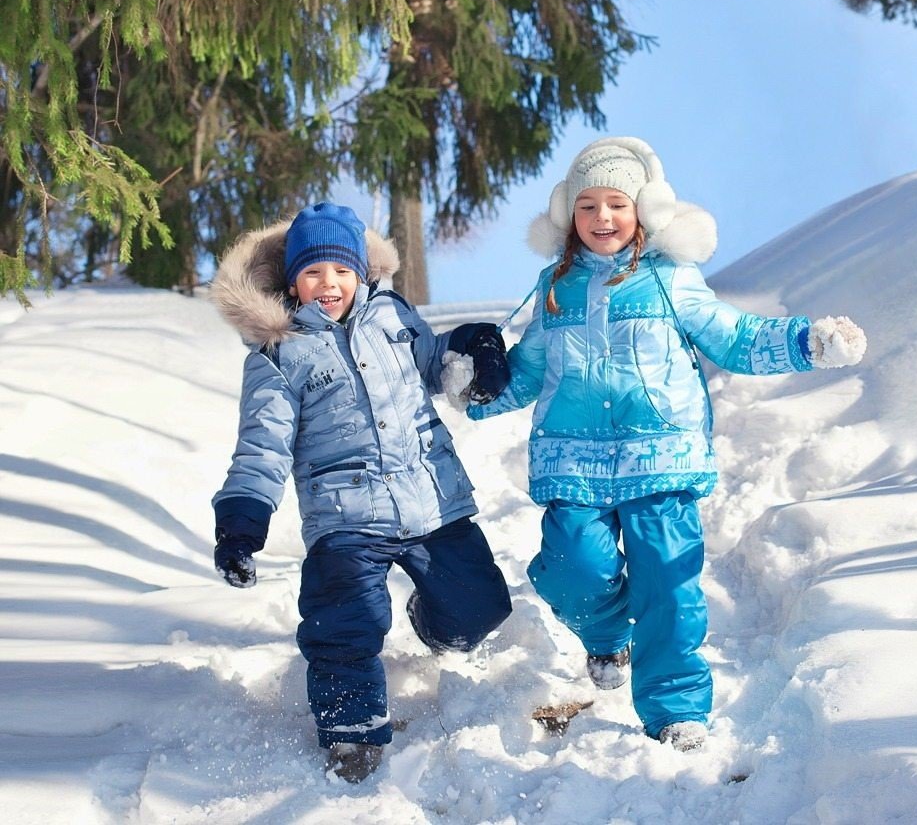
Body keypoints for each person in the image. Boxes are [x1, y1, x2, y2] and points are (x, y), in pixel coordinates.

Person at [468, 137, 867, 752]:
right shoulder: (555, 288)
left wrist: (805, 343)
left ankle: (675, 709)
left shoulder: (671, 279)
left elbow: (735, 338)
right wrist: (472, 388)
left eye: (616, 205)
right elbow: (525, 372)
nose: (602, 218)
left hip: (661, 456)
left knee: (668, 583)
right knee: (575, 568)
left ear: (643, 213)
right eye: (588, 206)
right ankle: (606, 637)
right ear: (568, 216)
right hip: (575, 460)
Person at [209, 202, 513, 783]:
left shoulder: (394, 317)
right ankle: (351, 732)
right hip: (344, 518)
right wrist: (241, 523)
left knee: (481, 607)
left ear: (363, 275)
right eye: (314, 273)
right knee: (343, 625)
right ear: (292, 282)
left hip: (431, 501)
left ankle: (437, 625)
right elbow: (261, 447)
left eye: (342, 272)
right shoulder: (280, 355)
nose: (330, 285)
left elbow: (435, 362)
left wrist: (472, 345)